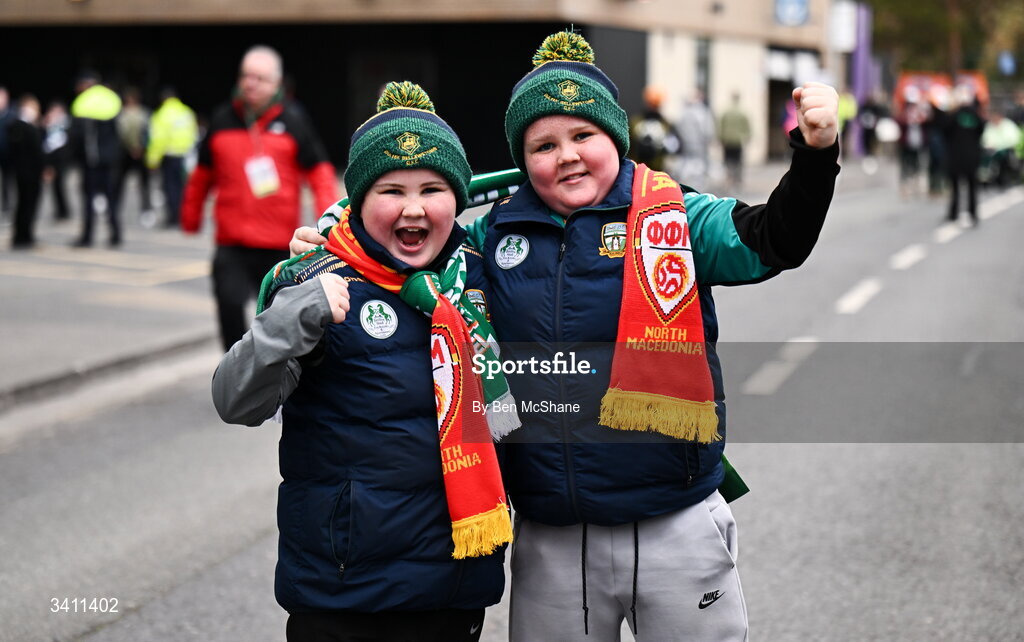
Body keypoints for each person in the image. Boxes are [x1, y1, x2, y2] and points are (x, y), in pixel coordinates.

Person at [292, 30, 840, 641]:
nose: (567, 155)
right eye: (543, 145)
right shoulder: (488, 239)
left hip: (675, 518)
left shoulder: (678, 217)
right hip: (554, 536)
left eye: (584, 135)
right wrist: (326, 243)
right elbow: (396, 248)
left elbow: (775, 240)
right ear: (523, 161)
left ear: (616, 138)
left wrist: (815, 158)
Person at [212, 81, 511, 642]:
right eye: (391, 190)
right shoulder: (314, 281)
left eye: (434, 188)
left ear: (459, 198)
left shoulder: (477, 277)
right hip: (341, 593)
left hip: (452, 588)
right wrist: (295, 314)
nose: (414, 208)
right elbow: (235, 400)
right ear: (357, 201)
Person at [181, 45, 338, 352]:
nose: (250, 83)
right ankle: (235, 366)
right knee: (228, 304)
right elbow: (202, 174)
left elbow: (319, 173)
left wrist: (329, 221)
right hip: (232, 241)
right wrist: (190, 217)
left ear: (276, 85)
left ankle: (275, 371)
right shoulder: (222, 119)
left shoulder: (294, 121)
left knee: (276, 315)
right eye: (246, 76)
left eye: (260, 78)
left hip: (277, 243)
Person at [69, 70, 123, 247]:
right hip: (109, 160)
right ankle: (115, 234)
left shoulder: (83, 102)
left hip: (91, 160)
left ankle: (87, 236)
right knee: (110, 197)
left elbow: (77, 136)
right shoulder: (111, 98)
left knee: (89, 199)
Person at [146, 86, 198, 227]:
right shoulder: (186, 112)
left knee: (169, 188)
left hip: (169, 155)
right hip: (185, 155)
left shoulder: (161, 114)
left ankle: (173, 217)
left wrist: (152, 160)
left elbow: (158, 139)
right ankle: (182, 215)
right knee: (182, 187)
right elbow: (194, 133)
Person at [6, 94, 45, 249]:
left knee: (23, 205)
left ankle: (21, 236)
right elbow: (37, 152)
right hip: (30, 173)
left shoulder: (15, 126)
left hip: (22, 172)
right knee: (27, 205)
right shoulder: (25, 127)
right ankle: (24, 237)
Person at [943, 86, 985, 226]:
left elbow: (945, 131)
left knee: (955, 187)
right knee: (972, 187)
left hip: (956, 156)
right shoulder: (976, 115)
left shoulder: (953, 115)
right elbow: (981, 130)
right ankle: (973, 213)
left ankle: (953, 213)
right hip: (972, 156)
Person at [115, 87, 154, 225]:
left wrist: (134, 147)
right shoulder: (145, 114)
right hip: (138, 151)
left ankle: (116, 208)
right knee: (142, 183)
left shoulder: (123, 114)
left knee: (125, 183)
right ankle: (146, 210)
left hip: (130, 151)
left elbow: (122, 133)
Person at [628, 85, 680, 173]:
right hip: (638, 170)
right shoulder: (635, 122)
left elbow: (676, 146)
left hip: (657, 170)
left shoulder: (666, 124)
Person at [677, 89, 715, 189]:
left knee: (687, 167)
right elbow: (708, 131)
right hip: (699, 146)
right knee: (699, 170)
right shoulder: (702, 113)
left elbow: (679, 128)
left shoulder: (684, 113)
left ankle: (686, 189)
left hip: (686, 145)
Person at [42, 101, 72, 221]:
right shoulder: (50, 125)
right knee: (55, 186)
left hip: (62, 160)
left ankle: (64, 210)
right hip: (52, 159)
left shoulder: (65, 124)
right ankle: (60, 210)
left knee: (60, 185)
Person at [718, 91, 751, 190]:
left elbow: (721, 126)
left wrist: (720, 138)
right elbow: (747, 127)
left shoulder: (726, 112)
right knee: (738, 161)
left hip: (727, 140)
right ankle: (737, 180)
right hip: (738, 140)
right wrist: (748, 137)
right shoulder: (742, 112)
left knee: (728, 160)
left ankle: (729, 178)